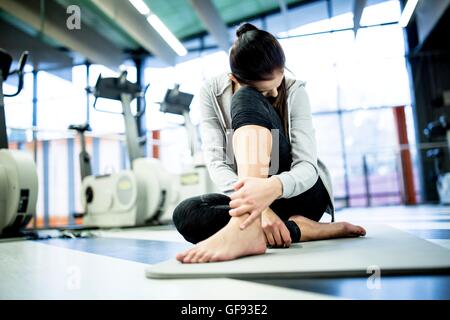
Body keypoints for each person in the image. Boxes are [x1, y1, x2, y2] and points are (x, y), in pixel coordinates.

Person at [173, 23, 366, 264]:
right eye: (265, 92)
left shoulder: (295, 91)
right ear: (234, 78)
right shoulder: (211, 92)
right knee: (187, 214)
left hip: (300, 194)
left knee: (244, 96)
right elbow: (217, 163)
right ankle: (301, 230)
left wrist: (270, 189)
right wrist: (259, 208)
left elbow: (307, 166)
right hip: (256, 201)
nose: (275, 94)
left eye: (279, 81)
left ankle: (244, 230)